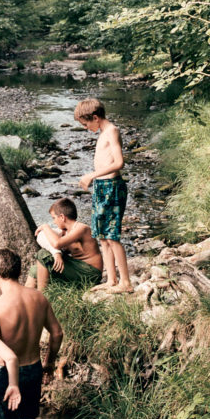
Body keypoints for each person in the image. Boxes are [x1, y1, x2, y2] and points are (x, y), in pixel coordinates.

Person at [0, 248, 63, 419]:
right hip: (34, 368)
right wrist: (49, 363)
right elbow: (57, 334)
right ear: (19, 272)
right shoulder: (39, 298)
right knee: (29, 418)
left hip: (8, 377)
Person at [75, 98, 133, 292]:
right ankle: (111, 280)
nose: (85, 128)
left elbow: (119, 163)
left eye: (85, 124)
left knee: (112, 236)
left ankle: (125, 283)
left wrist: (92, 175)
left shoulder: (112, 131)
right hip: (101, 187)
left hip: (112, 187)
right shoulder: (102, 132)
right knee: (102, 236)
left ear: (95, 117)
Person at [27, 197, 103, 289]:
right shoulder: (65, 231)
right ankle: (26, 301)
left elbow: (56, 243)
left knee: (43, 254)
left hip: (90, 273)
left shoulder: (82, 228)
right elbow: (41, 236)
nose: (54, 222)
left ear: (62, 217)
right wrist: (57, 253)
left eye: (54, 218)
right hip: (78, 269)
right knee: (35, 270)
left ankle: (42, 297)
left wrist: (45, 226)